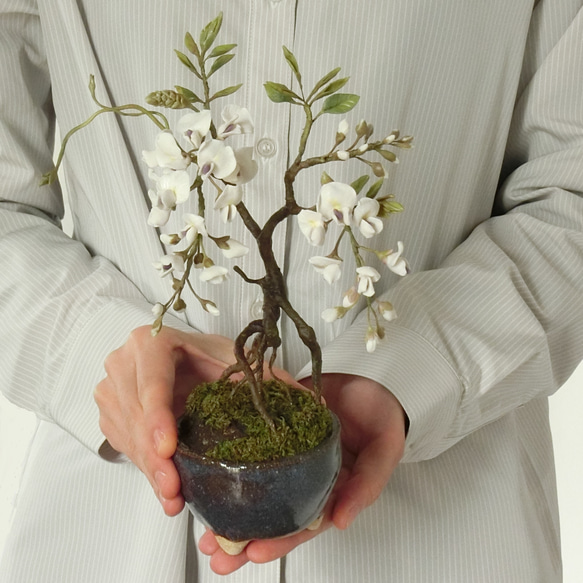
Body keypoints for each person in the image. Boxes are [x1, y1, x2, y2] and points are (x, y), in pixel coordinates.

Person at [1, 1, 582, 581]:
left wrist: (410, 366)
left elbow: (570, 196)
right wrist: (98, 348)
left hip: (454, 529)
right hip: (104, 538)